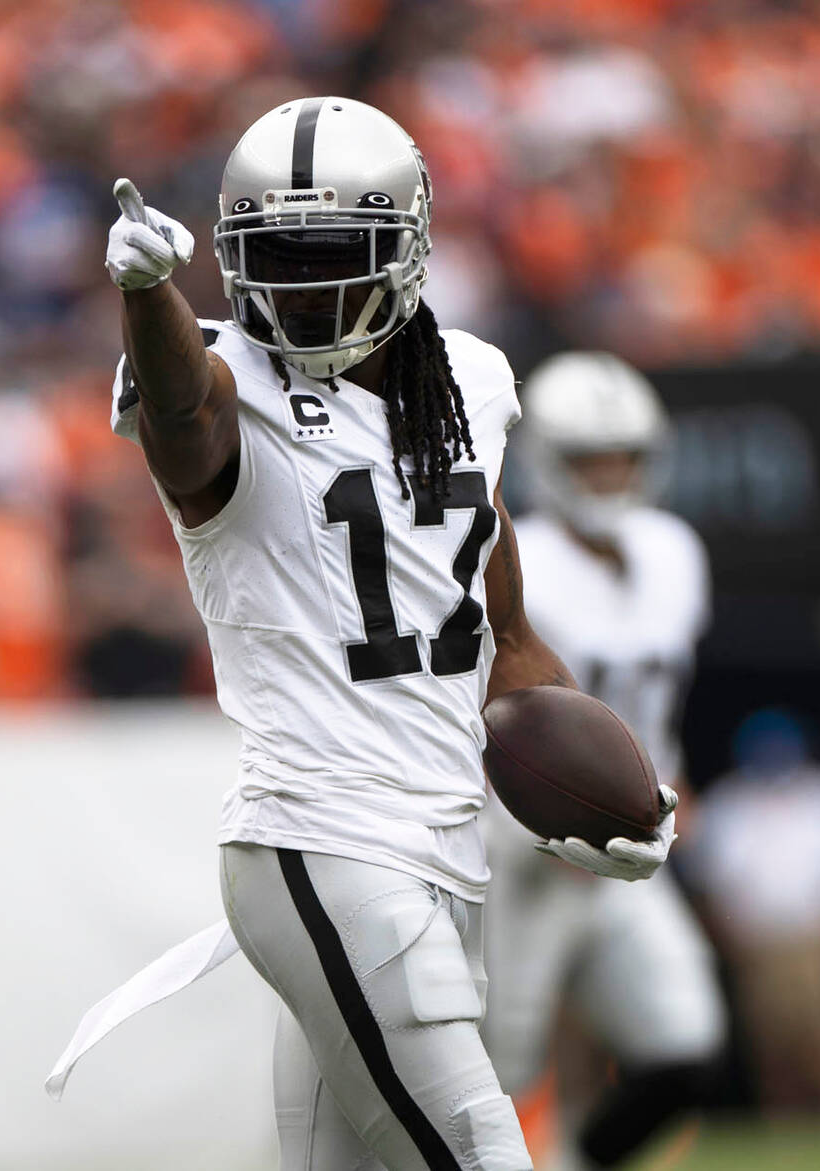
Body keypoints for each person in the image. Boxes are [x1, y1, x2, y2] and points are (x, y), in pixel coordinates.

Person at [84, 97, 678, 1171]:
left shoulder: (474, 379)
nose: (304, 289)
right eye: (277, 257)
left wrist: (594, 775)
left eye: (334, 256)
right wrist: (148, 296)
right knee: (481, 1153)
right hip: (325, 839)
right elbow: (185, 422)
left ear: (405, 249)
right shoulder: (215, 375)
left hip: (446, 839)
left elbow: (503, 624)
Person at [482, 352, 726, 1169]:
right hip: (523, 848)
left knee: (684, 1046)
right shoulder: (523, 561)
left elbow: (659, 702)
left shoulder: (673, 551)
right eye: (589, 456)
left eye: (622, 454)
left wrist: (669, 772)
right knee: (490, 1073)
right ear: (549, 458)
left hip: (629, 845)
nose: (608, 473)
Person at [688, 709, 820, 1114]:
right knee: (774, 1041)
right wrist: (726, 939)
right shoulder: (727, 806)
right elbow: (703, 887)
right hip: (760, 945)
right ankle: (788, 1128)